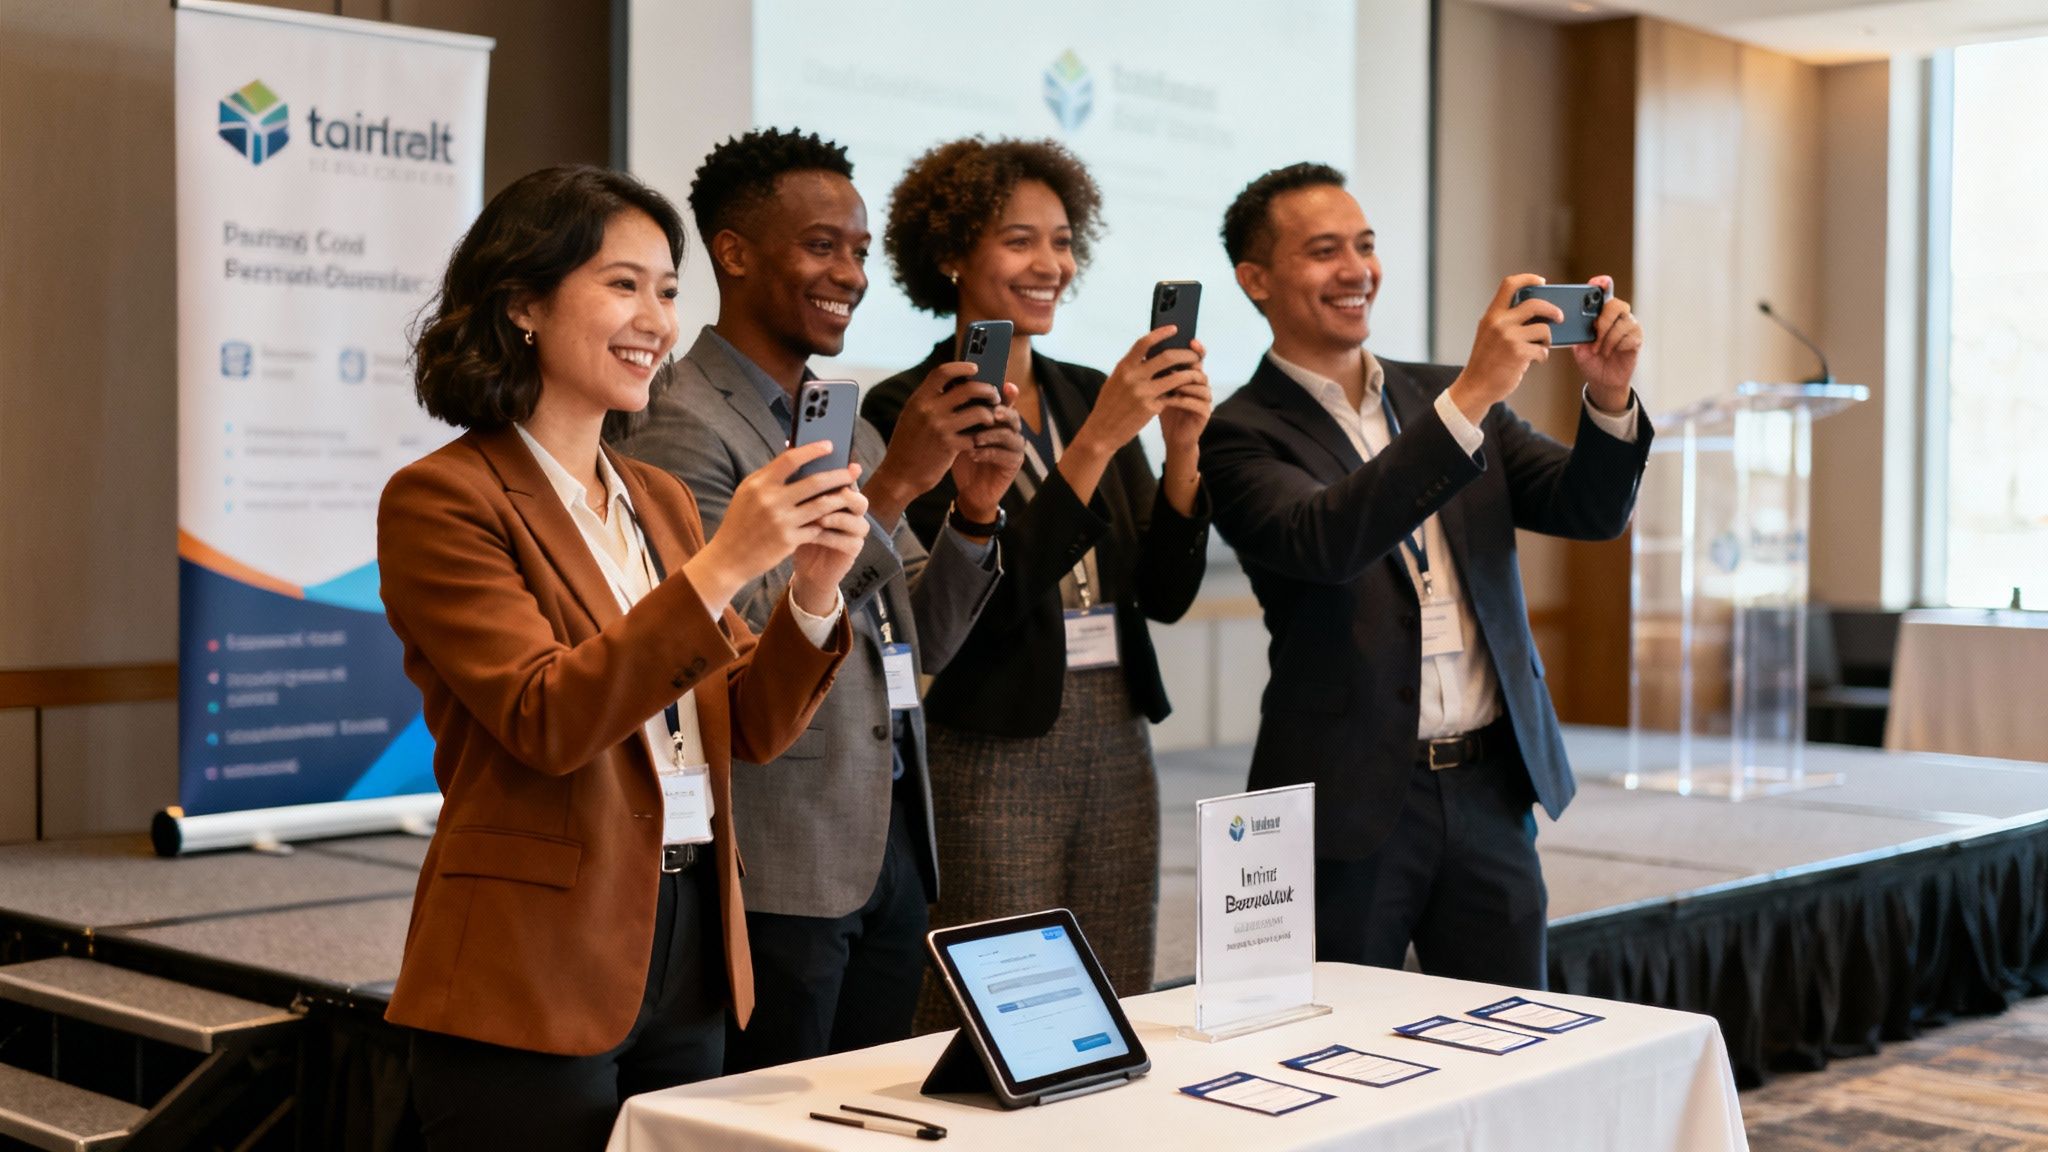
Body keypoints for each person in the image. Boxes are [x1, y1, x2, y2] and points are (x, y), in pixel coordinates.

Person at [379, 164, 869, 1151]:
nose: (654, 317)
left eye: (667, 289)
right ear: (521, 302)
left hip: (686, 936)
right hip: (533, 961)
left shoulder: (658, 498)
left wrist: (813, 587)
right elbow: (544, 717)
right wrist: (729, 564)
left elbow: (753, 728)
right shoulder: (443, 498)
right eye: (621, 284)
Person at [609, 128, 1026, 1070]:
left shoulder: (845, 420)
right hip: (779, 854)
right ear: (735, 253)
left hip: (887, 843)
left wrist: (971, 515)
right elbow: (733, 631)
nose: (850, 272)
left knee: (866, 1111)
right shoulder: (677, 421)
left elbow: (920, 641)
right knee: (776, 1120)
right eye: (820, 245)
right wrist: (888, 494)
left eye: (860, 249)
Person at [1201, 162, 1652, 990]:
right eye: (1324, 251)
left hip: (1490, 786)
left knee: (1511, 1039)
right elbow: (1327, 540)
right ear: (1255, 279)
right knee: (1334, 1052)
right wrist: (1473, 394)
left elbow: (1588, 510)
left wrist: (1609, 399)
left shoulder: (1441, 395)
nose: (1356, 271)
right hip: (1350, 800)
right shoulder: (1239, 432)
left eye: (1366, 247)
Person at [862, 136, 1212, 1019]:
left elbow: (1163, 597)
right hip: (992, 741)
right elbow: (988, 605)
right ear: (949, 256)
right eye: (1020, 241)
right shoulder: (909, 409)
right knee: (1001, 1007)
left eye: (1062, 241)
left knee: (1117, 986)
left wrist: (1178, 454)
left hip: (1116, 732)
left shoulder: (1087, 389)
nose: (1050, 263)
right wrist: (1097, 442)